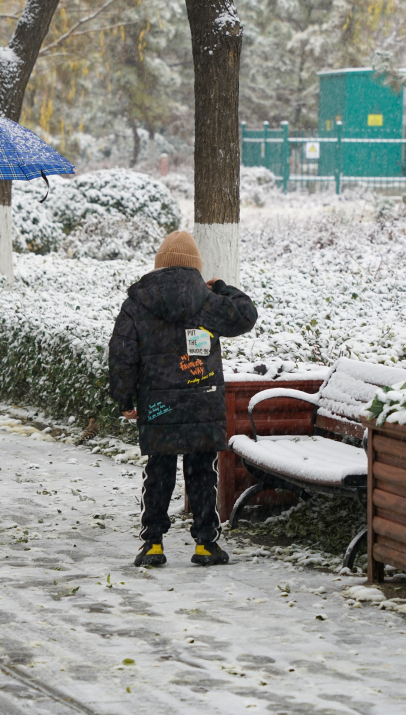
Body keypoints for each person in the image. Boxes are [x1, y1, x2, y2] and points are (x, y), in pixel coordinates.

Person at [107, 231, 257, 567]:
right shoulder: (207, 301)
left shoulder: (138, 302)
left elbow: (121, 353)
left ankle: (153, 545)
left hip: (158, 405)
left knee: (159, 470)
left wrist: (124, 398)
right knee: (202, 472)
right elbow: (247, 315)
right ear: (196, 268)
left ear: (159, 265)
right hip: (201, 401)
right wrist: (221, 287)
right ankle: (206, 544)